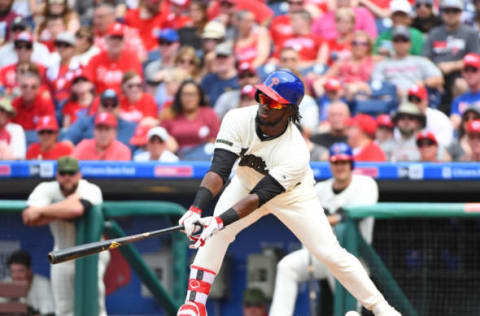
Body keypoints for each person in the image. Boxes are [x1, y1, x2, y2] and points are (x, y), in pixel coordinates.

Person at [175, 69, 400, 316]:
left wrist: (219, 220)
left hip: (293, 196)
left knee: (329, 253)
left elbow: (258, 198)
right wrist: (196, 209)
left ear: (289, 110)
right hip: (244, 183)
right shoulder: (237, 118)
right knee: (215, 236)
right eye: (262, 96)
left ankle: (383, 310)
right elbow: (218, 170)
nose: (264, 105)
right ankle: (194, 304)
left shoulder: (296, 152)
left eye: (273, 102)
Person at [269, 142, 378, 315]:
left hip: (351, 258)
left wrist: (326, 219)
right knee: (287, 266)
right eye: (336, 162)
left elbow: (349, 217)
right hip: (322, 256)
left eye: (344, 162)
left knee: (352, 310)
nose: (340, 166)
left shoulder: (366, 184)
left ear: (351, 164)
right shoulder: (321, 189)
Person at [22, 156, 109, 316]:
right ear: (57, 175)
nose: (67, 177)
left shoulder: (90, 188)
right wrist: (66, 206)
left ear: (79, 174)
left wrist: (43, 210)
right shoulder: (46, 188)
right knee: (63, 309)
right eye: (63, 173)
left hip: (92, 252)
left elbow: (76, 210)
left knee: (95, 307)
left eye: (72, 173)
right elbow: (29, 217)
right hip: (62, 251)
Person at [423, 0, 480, 112]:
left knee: (461, 85)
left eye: (455, 10)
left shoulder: (470, 33)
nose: (451, 14)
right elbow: (424, 59)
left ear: (460, 12)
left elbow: (476, 58)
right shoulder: (434, 33)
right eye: (447, 11)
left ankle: (461, 118)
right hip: (436, 74)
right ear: (442, 12)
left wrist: (452, 66)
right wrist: (436, 72)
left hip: (462, 74)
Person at [372, 25, 443, 97]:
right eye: (397, 40)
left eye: (404, 40)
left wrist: (423, 83)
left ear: (409, 43)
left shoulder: (420, 61)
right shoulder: (383, 64)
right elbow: (377, 83)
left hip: (415, 98)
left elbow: (438, 79)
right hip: (391, 99)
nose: (400, 44)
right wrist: (390, 89)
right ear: (392, 43)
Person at [161, 79, 220, 156]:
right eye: (185, 94)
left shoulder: (209, 113)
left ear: (199, 96)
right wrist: (166, 139)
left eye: (192, 94)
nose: (189, 98)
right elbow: (159, 136)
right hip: (175, 158)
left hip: (204, 157)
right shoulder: (169, 114)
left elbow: (217, 140)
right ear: (179, 96)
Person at [62, 89, 137, 146]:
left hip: (122, 165)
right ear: (99, 107)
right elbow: (66, 142)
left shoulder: (131, 127)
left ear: (119, 107)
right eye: (105, 104)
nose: (109, 108)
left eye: (113, 104)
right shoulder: (84, 122)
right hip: (89, 164)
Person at [85, 22, 143, 95]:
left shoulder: (132, 58)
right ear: (106, 39)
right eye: (113, 38)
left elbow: (135, 84)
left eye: (119, 38)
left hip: (124, 100)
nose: (116, 42)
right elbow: (86, 82)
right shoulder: (96, 59)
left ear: (124, 41)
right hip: (101, 102)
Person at [3, 250, 55, 316]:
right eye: (13, 272)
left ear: (30, 270)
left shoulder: (43, 284)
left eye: (20, 271)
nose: (16, 276)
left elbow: (49, 313)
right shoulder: (6, 284)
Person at [450, 53, 480, 130]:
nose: (469, 74)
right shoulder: (458, 100)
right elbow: (454, 126)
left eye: (474, 69)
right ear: (462, 73)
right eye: (466, 70)